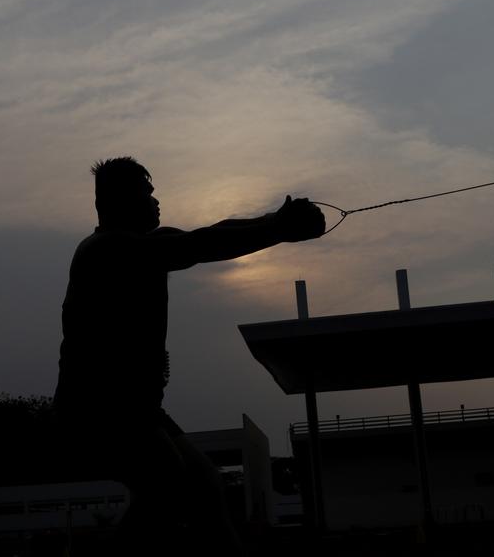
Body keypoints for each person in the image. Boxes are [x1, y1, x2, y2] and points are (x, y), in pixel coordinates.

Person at [54, 157, 324, 556]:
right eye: (147, 194)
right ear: (120, 201)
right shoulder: (107, 249)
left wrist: (274, 219)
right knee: (166, 484)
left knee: (205, 488)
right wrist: (278, 228)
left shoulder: (146, 246)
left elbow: (211, 234)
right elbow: (198, 245)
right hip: (96, 408)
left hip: (138, 407)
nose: (156, 201)